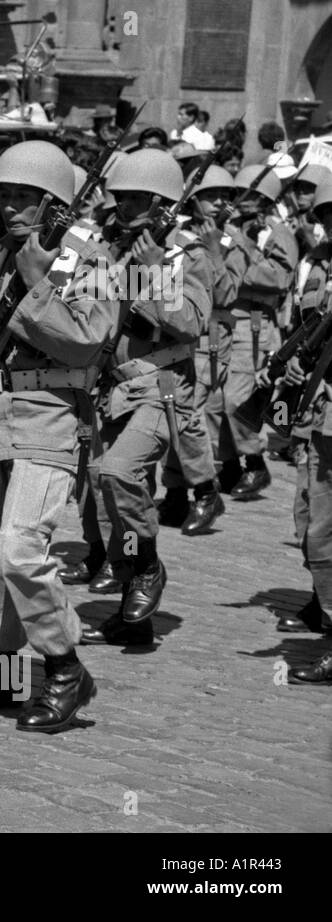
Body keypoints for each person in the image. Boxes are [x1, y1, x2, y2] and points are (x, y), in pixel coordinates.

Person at [0, 140, 119, 732]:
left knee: (21, 550)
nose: (12, 207)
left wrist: (37, 285)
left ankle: (65, 669)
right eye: (6, 195)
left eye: (26, 197)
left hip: (52, 417)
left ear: (55, 203)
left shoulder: (88, 259)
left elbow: (87, 339)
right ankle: (2, 670)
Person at [77, 150, 210, 646]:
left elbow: (192, 323)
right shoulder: (114, 248)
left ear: (163, 204)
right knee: (103, 488)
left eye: (138, 198)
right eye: (122, 197)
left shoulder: (185, 255)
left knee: (119, 471)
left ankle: (148, 567)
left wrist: (153, 274)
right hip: (115, 387)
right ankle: (133, 609)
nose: (126, 206)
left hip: (163, 383)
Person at [155, 166, 240, 538]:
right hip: (175, 335)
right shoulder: (174, 233)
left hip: (210, 336)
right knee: (174, 414)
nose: (219, 201)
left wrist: (213, 250)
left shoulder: (233, 239)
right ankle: (175, 492)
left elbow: (226, 294)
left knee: (187, 418)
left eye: (225, 194)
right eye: (211, 194)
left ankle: (205, 490)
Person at [270, 175, 332, 658]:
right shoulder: (316, 263)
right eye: (327, 217)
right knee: (310, 511)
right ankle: (320, 600)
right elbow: (303, 323)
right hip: (314, 399)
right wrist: (293, 358)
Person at [208, 165, 297, 501]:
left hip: (254, 324)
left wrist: (241, 257)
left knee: (238, 399)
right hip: (225, 321)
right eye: (242, 195)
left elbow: (279, 278)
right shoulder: (231, 227)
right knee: (214, 401)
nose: (245, 203)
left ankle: (256, 462)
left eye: (254, 197)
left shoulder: (276, 232)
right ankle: (230, 465)